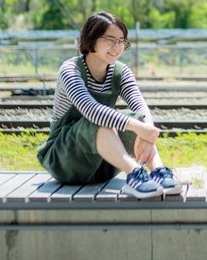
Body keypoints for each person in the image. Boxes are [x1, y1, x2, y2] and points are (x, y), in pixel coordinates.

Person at [37, 11, 181, 198]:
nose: (117, 47)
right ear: (91, 39)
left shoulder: (120, 72)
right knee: (102, 121)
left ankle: (158, 171)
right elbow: (91, 110)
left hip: (103, 166)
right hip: (66, 161)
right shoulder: (70, 70)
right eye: (110, 39)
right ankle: (135, 174)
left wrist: (147, 130)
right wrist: (141, 128)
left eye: (121, 41)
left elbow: (140, 106)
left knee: (138, 118)